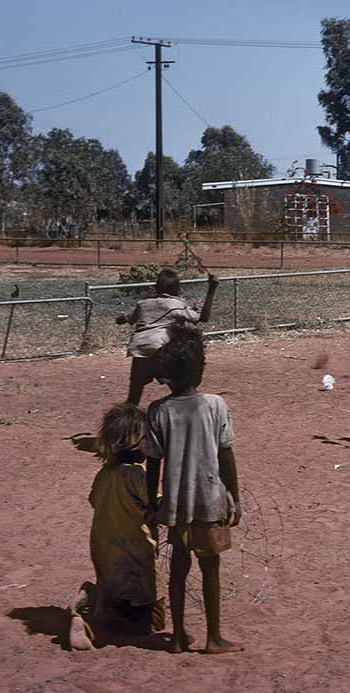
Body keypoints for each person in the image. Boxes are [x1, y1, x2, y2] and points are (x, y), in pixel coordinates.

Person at [143, 326, 242, 654]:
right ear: (200, 369)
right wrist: (235, 497)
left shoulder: (158, 411)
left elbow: (153, 463)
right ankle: (214, 637)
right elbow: (226, 456)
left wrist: (150, 503)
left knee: (178, 569)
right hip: (210, 500)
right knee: (210, 567)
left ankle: (177, 637)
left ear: (167, 375)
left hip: (176, 503)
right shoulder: (215, 405)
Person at [84, 403, 163, 639]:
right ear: (132, 444)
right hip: (135, 549)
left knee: (116, 588)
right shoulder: (136, 475)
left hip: (104, 547)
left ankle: (97, 604)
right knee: (152, 616)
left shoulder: (105, 473)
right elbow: (158, 506)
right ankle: (98, 611)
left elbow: (94, 500)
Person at [117, 268, 219, 405]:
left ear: (156, 287)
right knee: (181, 390)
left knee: (133, 398)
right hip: (162, 350)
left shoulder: (143, 304)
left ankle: (126, 423)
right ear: (177, 289)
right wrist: (211, 289)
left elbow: (128, 318)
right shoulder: (177, 305)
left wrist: (121, 318)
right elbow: (203, 318)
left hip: (140, 349)